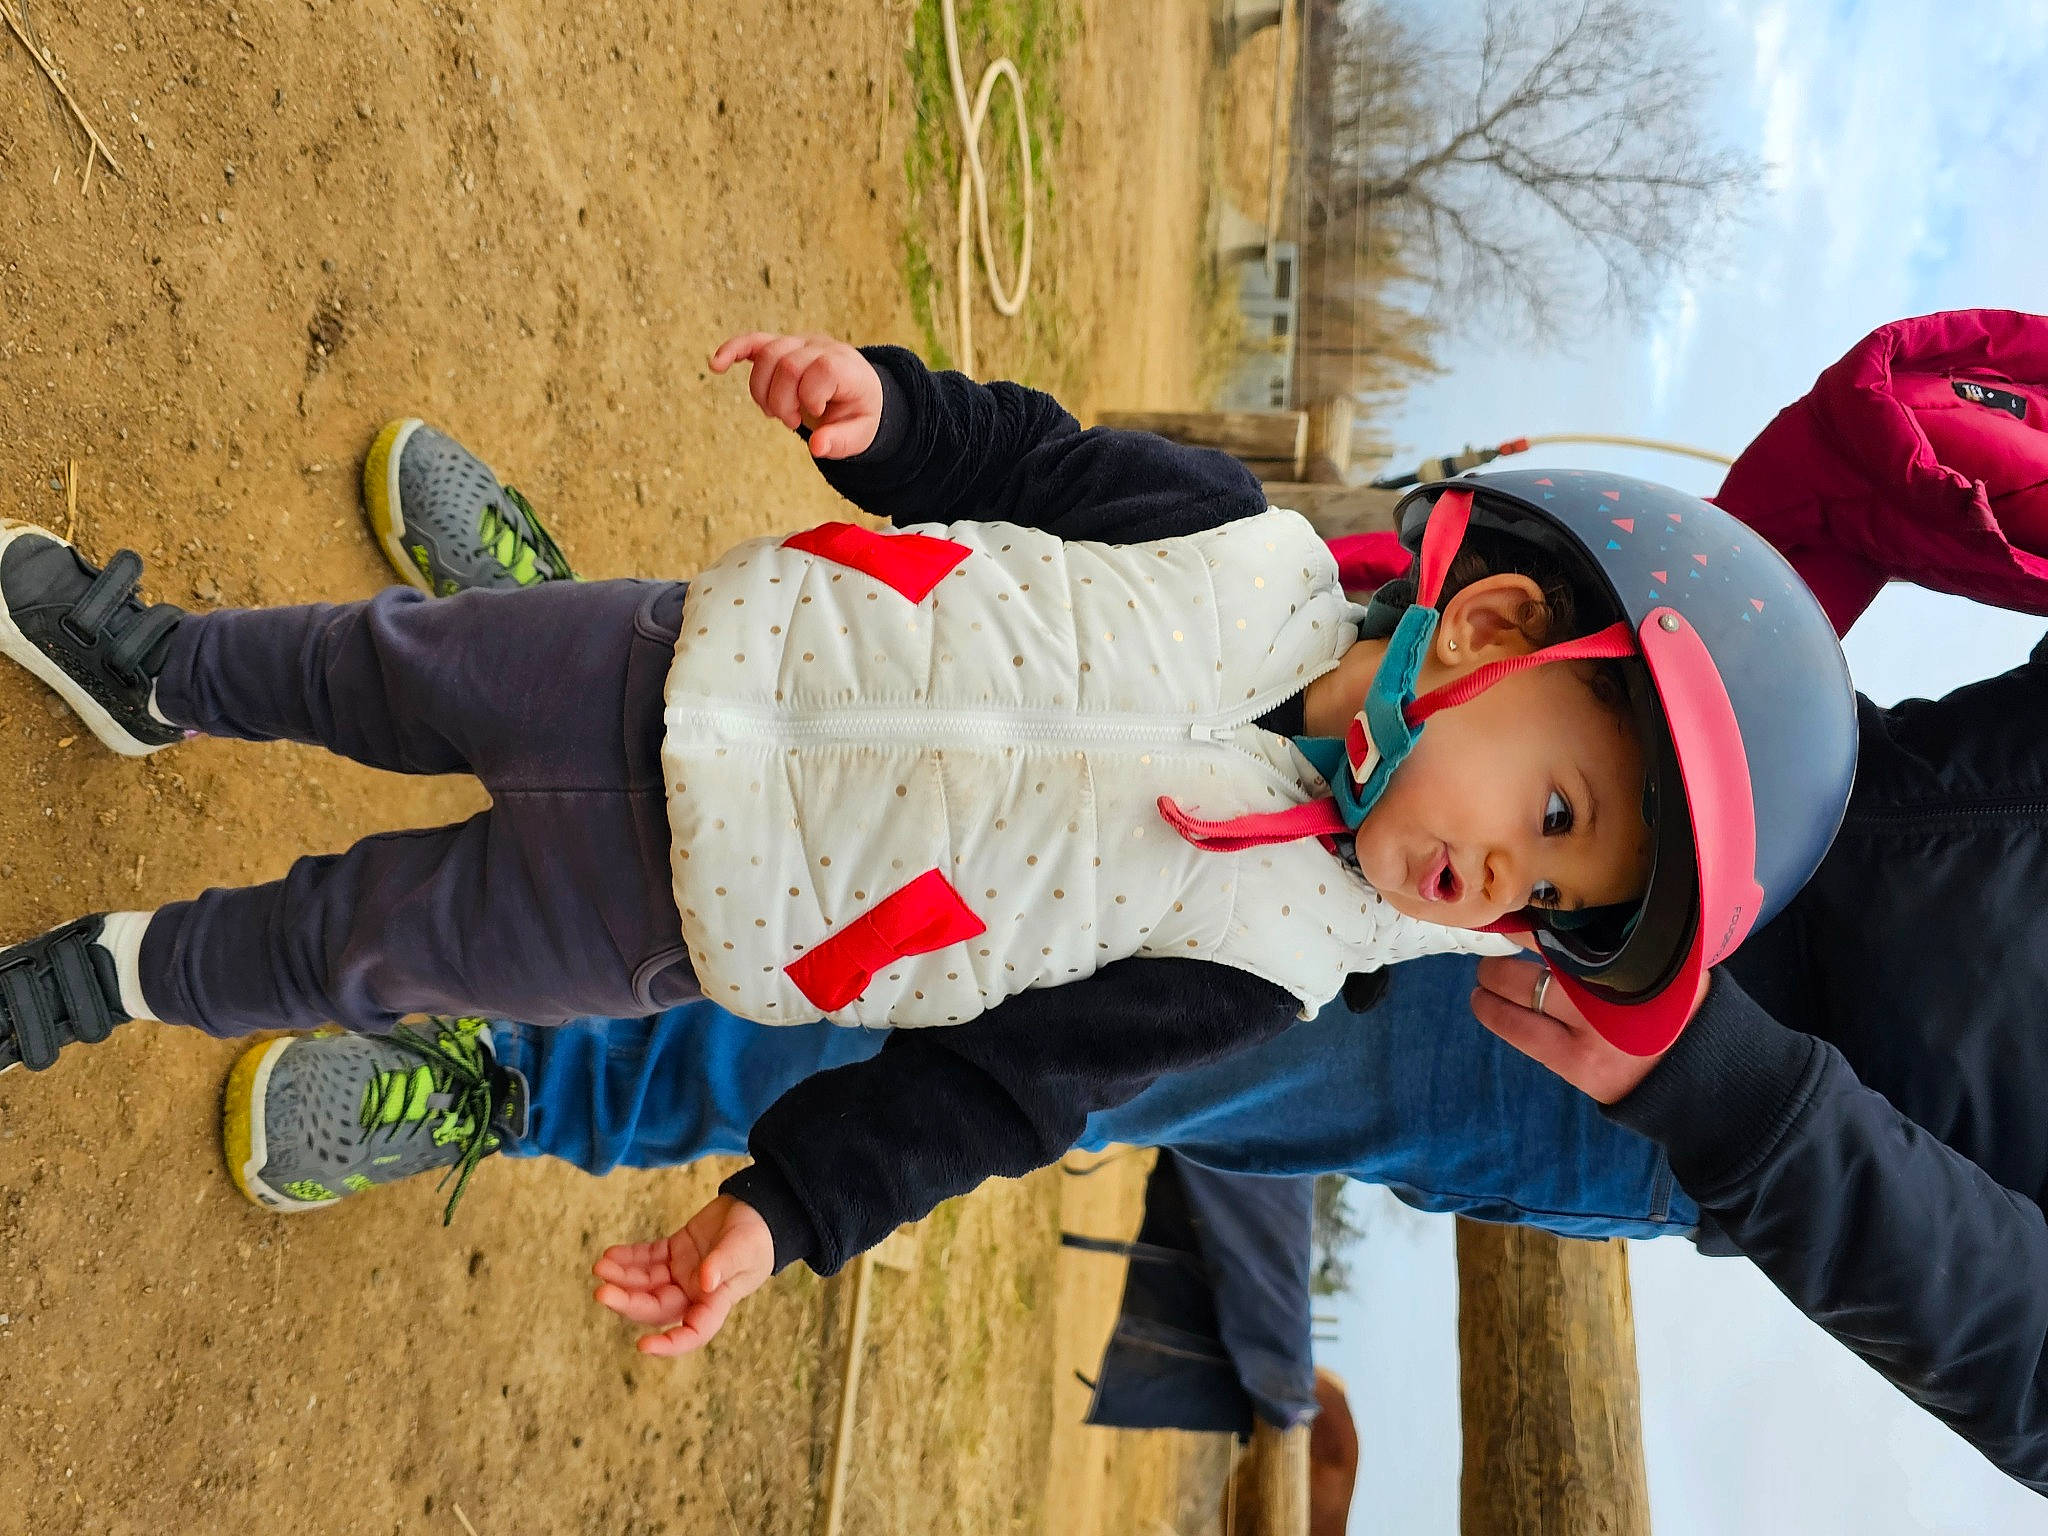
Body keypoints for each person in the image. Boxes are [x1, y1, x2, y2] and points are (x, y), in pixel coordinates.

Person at [0, 331, 1852, 1356]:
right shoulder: (1239, 544)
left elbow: (997, 1095)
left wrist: (785, 1208)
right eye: (1551, 811)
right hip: (665, 658)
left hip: (670, 914)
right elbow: (1034, 466)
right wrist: (890, 418)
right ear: (1498, 638)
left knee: (360, 943)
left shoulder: (1267, 966)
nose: (1503, 885)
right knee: (371, 665)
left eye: (1549, 900)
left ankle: (115, 975)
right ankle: (150, 671)